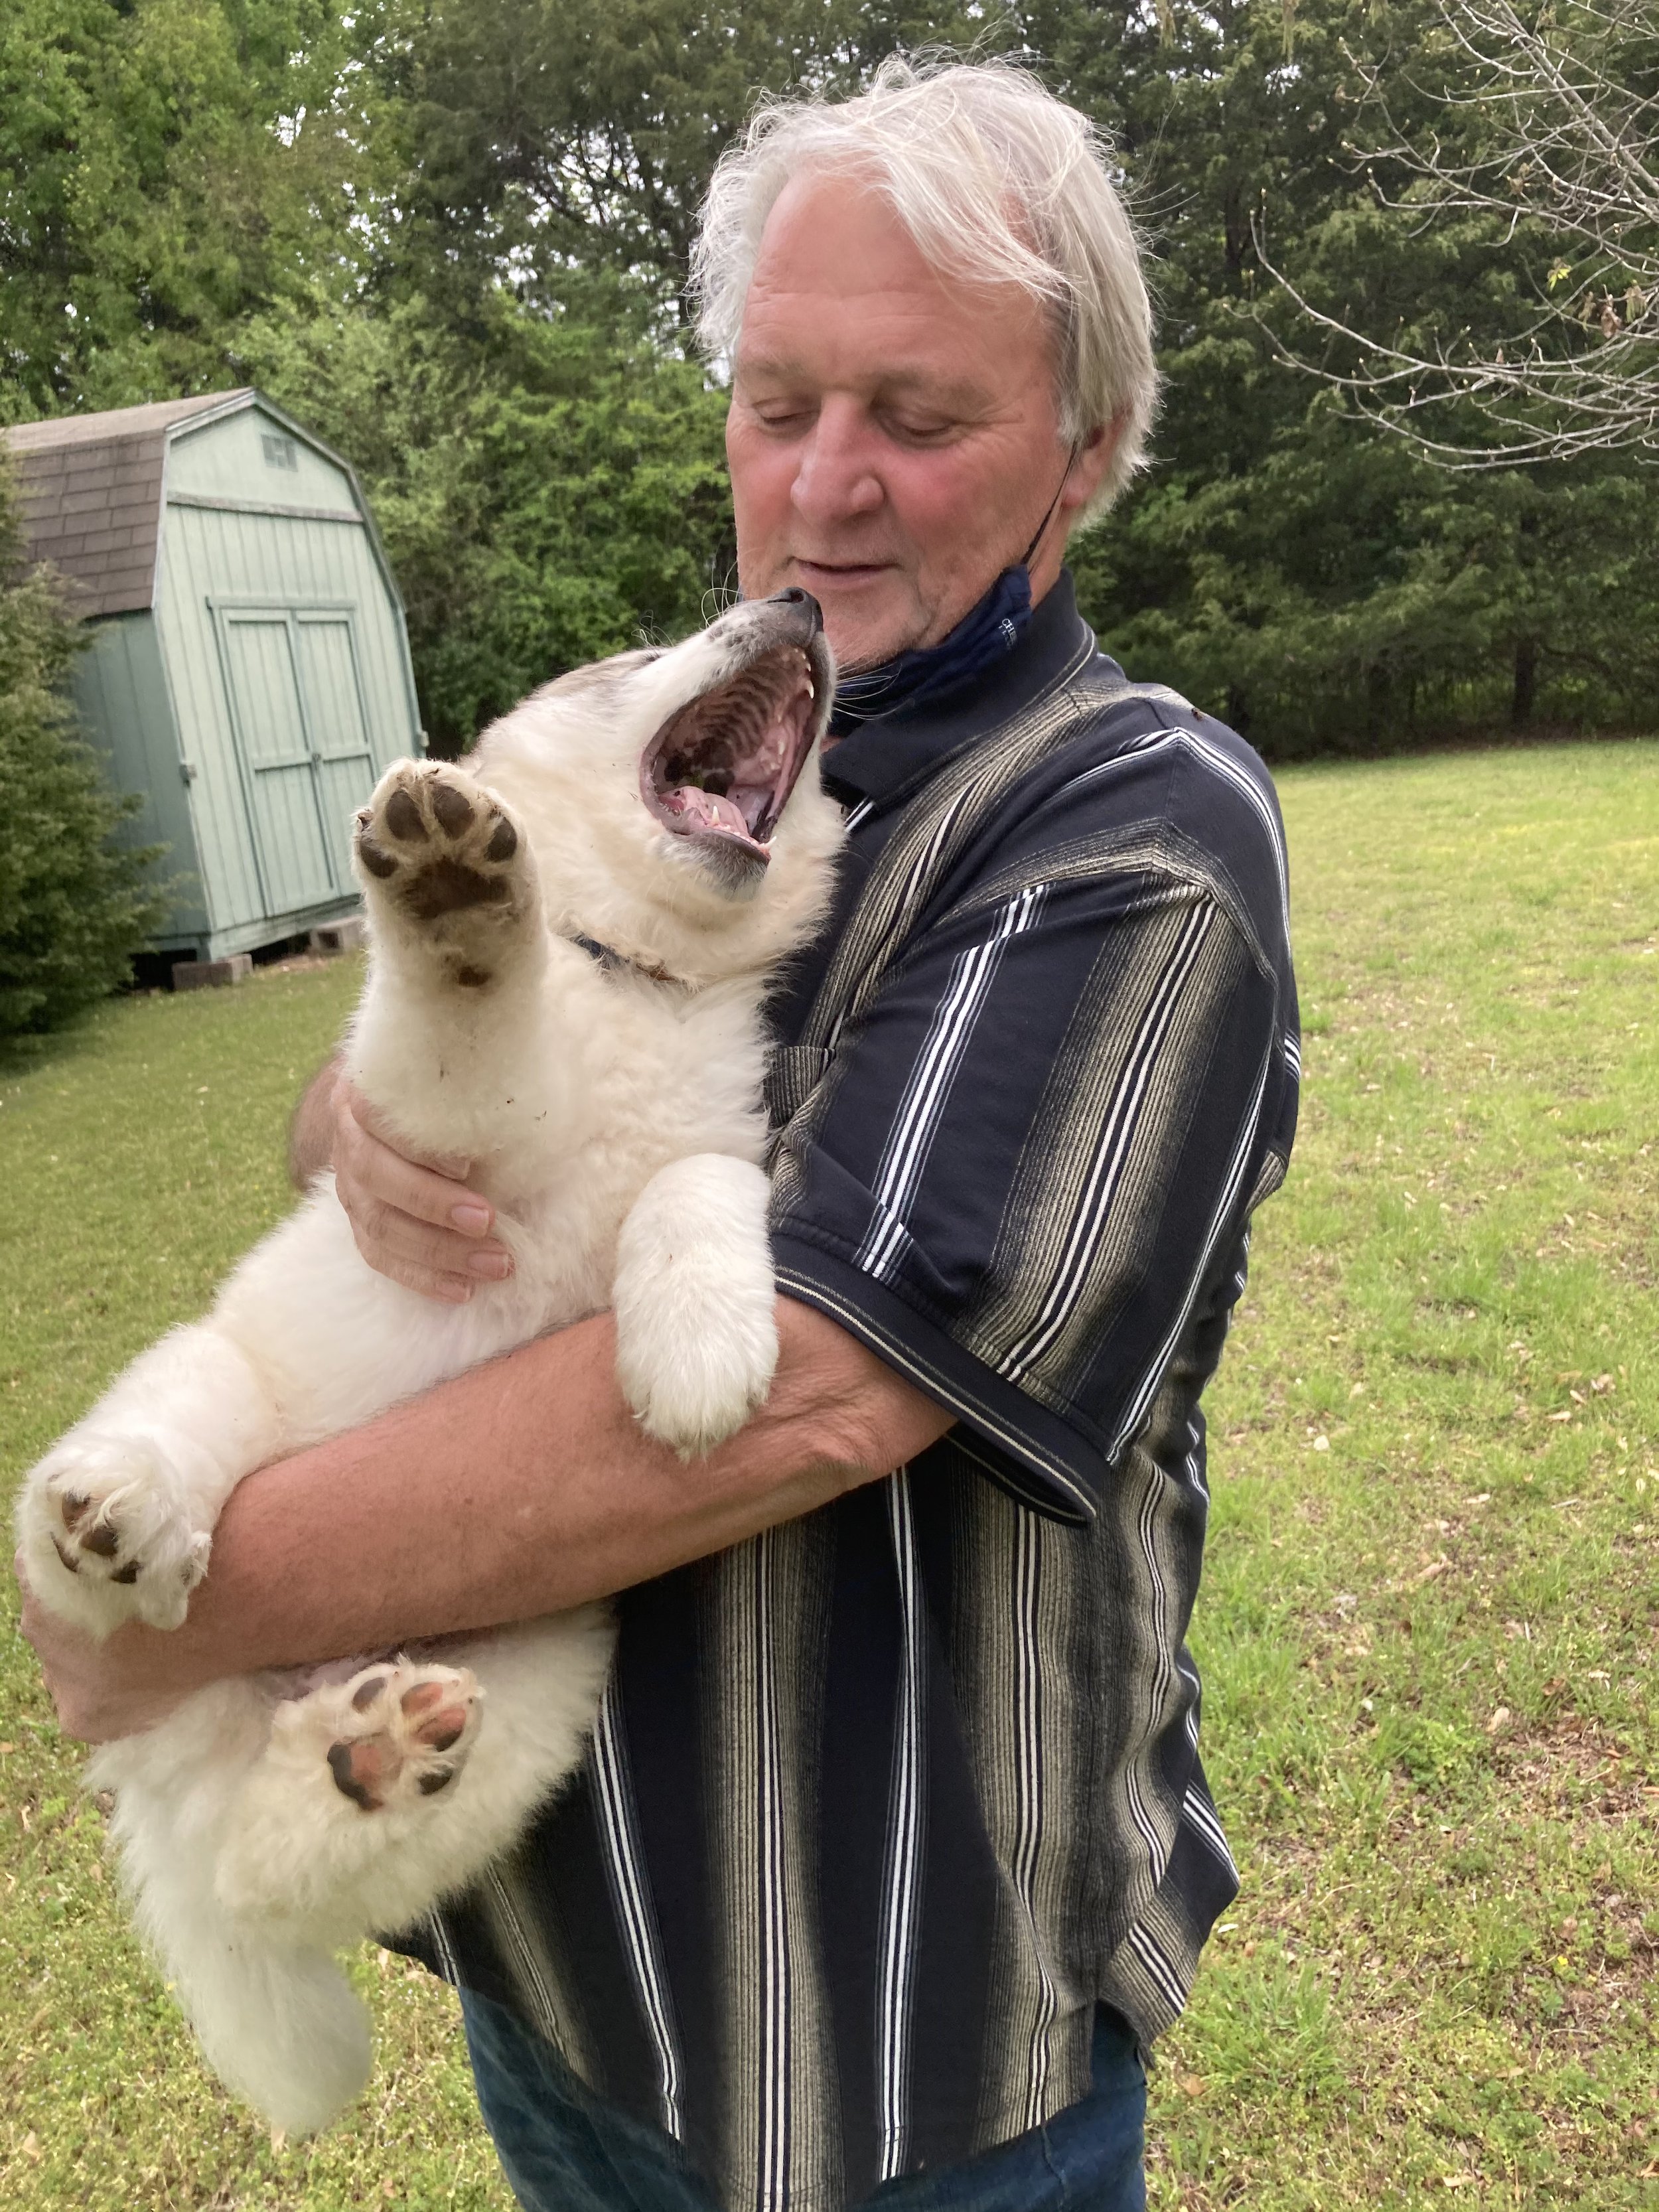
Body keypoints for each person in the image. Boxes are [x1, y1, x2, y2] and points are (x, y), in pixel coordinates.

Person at [21, 58, 1299, 2212]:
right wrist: (356, 1099)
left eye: (917, 413)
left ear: (1085, 448)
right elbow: (429, 1145)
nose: (827, 483)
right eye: (779, 399)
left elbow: (803, 1392)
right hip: (568, 1972)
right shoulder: (699, 769)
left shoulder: (1127, 833)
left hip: (888, 2035)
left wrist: (169, 1615)